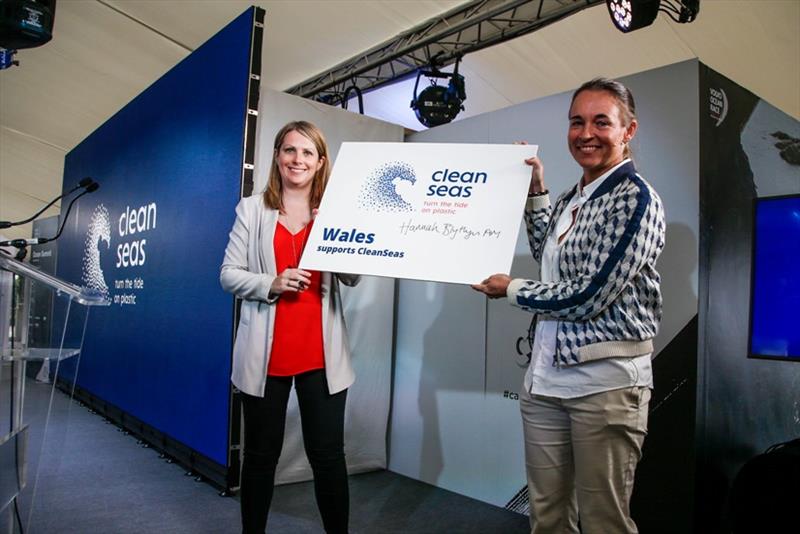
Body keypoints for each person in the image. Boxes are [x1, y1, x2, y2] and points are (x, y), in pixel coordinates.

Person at [472, 78, 665, 534]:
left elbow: (588, 294)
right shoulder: (573, 197)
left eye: (602, 122)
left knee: (604, 523)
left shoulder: (635, 199)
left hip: (605, 387)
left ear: (628, 130)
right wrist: (537, 190)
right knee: (548, 515)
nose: (586, 133)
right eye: (577, 122)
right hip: (546, 380)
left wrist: (512, 288)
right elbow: (548, 259)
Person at [220, 120, 359, 534]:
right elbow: (228, 275)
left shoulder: (337, 210)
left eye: (307, 153)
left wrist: (332, 234)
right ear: (277, 157)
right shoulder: (251, 209)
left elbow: (353, 277)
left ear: (320, 163)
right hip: (266, 355)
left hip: (321, 353)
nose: (297, 160)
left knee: (328, 456)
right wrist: (271, 283)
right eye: (289, 150)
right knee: (260, 458)